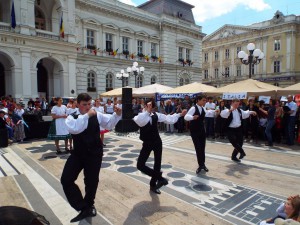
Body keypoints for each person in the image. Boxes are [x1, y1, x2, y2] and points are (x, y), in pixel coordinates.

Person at [61, 93, 121, 223]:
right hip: (78, 153)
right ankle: (81, 206)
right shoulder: (72, 117)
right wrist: (87, 115)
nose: (88, 107)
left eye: (89, 104)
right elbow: (76, 128)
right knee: (66, 179)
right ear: (78, 104)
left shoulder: (97, 114)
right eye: (84, 105)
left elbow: (109, 124)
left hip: (94, 153)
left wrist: (117, 115)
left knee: (91, 181)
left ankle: (89, 205)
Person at [134, 99, 187, 194]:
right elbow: (139, 121)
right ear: (145, 106)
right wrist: (147, 112)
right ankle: (160, 177)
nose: (150, 107)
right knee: (140, 165)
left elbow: (168, 119)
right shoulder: (140, 115)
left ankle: (153, 185)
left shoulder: (156, 115)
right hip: (147, 143)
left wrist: (179, 115)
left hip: (157, 142)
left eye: (151, 106)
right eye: (148, 105)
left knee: (157, 164)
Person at [184, 95, 215, 174]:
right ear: (198, 100)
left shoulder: (203, 108)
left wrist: (215, 111)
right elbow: (186, 117)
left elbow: (208, 112)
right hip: (194, 131)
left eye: (205, 100)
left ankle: (202, 164)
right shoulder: (194, 108)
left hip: (201, 130)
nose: (205, 102)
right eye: (203, 100)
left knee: (202, 147)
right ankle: (200, 164)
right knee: (198, 148)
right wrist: (192, 117)